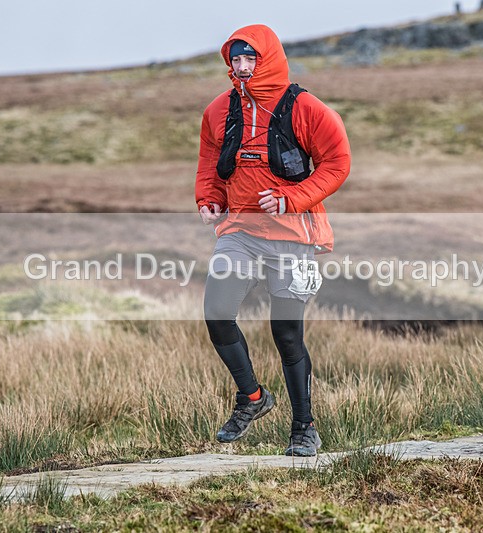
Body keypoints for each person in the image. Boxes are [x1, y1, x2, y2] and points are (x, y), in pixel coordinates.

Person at [195, 24, 350, 456]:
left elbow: (337, 163)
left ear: (269, 60)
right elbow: (209, 162)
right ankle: (253, 398)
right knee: (217, 313)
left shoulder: (307, 108)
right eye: (236, 60)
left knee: (286, 335)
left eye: (251, 59)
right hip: (240, 232)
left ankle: (304, 428)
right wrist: (209, 199)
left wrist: (291, 199)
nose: (243, 68)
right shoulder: (218, 110)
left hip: (292, 236)